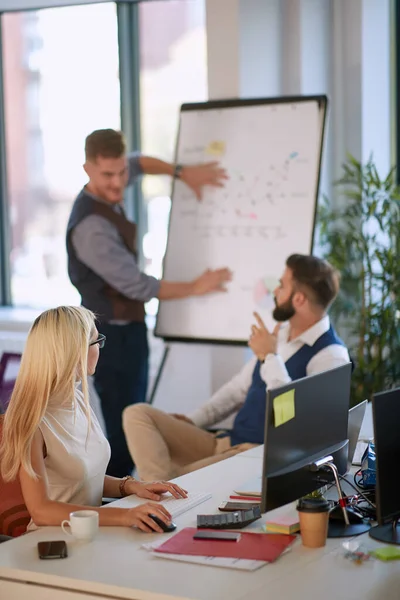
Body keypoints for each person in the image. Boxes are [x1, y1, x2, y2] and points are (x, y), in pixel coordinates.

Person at [66, 129, 232, 478]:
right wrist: (197, 286)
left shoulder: (119, 171)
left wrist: (181, 172)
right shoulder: (91, 227)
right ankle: (115, 504)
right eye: (107, 175)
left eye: (121, 173)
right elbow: (139, 286)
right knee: (124, 429)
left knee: (132, 417)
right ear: (87, 169)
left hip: (129, 331)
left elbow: (139, 162)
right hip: (110, 337)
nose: (118, 182)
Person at [122, 254, 351, 482]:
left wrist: (270, 357)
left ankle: (159, 493)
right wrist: (193, 421)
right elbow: (238, 389)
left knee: (170, 481)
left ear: (299, 299)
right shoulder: (280, 334)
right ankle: (160, 491)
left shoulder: (330, 356)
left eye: (281, 285)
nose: (275, 291)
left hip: (255, 455)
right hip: (225, 443)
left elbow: (291, 423)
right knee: (137, 414)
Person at [0, 306, 188, 534]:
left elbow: (81, 478)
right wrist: (124, 515)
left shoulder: (77, 398)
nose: (99, 347)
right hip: (53, 540)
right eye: (95, 341)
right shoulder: (34, 422)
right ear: (73, 351)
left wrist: (130, 485)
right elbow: (41, 510)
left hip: (90, 532)